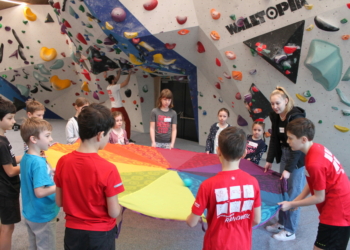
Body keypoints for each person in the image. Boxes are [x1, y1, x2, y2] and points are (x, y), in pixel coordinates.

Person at [54, 103, 124, 250]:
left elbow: (59, 202)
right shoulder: (109, 169)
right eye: (108, 133)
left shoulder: (62, 162)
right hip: (101, 234)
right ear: (100, 135)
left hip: (72, 233)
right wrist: (121, 206)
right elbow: (113, 212)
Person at [279, 118, 350, 250]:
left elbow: (319, 197)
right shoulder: (316, 148)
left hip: (338, 212)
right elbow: (313, 182)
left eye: (290, 138)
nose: (288, 141)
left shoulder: (314, 163)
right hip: (339, 205)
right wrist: (297, 200)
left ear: (304, 139)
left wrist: (292, 204)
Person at [186, 126, 261, 250]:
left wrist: (193, 217)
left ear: (218, 150)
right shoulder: (253, 182)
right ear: (244, 153)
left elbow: (191, 222)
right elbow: (256, 220)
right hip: (242, 244)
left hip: (215, 245)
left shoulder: (207, 185)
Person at [264, 86, 306, 241]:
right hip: (284, 154)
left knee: (294, 194)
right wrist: (269, 160)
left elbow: (298, 145)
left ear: (286, 101)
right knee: (283, 189)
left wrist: (289, 168)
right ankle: (282, 222)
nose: (275, 106)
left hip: (296, 156)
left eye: (278, 103)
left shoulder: (295, 117)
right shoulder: (275, 117)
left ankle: (290, 230)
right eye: (272, 104)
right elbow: (274, 139)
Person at [20, 118, 59, 250]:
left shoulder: (27, 156)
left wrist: (51, 173)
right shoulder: (39, 163)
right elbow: (40, 191)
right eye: (47, 136)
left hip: (31, 212)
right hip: (43, 214)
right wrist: (60, 185)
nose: (51, 139)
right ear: (34, 139)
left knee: (35, 246)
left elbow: (34, 179)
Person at [0, 97, 22, 250]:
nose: (13, 121)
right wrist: (30, 162)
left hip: (4, 189)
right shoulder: (1, 144)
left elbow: (11, 160)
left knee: (5, 226)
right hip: (6, 190)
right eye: (10, 118)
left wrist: (29, 155)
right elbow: (11, 171)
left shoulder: (3, 138)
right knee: (8, 228)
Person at [105, 68, 132, 140]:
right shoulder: (114, 87)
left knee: (113, 123)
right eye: (115, 78)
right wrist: (129, 74)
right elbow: (125, 83)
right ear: (113, 80)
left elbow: (117, 79)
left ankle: (112, 137)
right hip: (119, 107)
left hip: (113, 108)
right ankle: (127, 138)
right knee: (127, 122)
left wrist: (119, 72)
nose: (116, 79)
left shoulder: (108, 87)